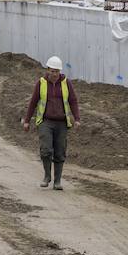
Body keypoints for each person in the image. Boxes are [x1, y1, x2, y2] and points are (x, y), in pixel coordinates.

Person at [23, 56, 79, 190]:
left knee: (60, 152)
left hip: (62, 123)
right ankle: (47, 176)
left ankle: (57, 181)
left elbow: (73, 101)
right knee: (46, 150)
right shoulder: (41, 83)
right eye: (52, 71)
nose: (54, 74)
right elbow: (33, 102)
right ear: (47, 70)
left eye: (57, 71)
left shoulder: (66, 83)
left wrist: (77, 119)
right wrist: (27, 120)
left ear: (60, 71)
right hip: (45, 122)